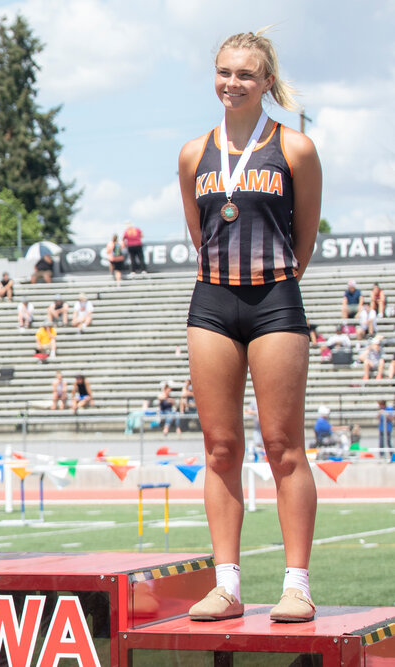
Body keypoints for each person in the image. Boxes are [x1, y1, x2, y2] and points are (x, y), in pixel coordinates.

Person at [178, 32, 321, 623]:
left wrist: (273, 278)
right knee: (219, 449)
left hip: (276, 300)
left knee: (285, 447)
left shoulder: (296, 149)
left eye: (245, 74)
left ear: (267, 82)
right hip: (212, 302)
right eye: (224, 72)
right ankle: (227, 584)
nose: (232, 83)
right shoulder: (193, 154)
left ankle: (296, 584)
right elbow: (199, 234)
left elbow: (305, 233)